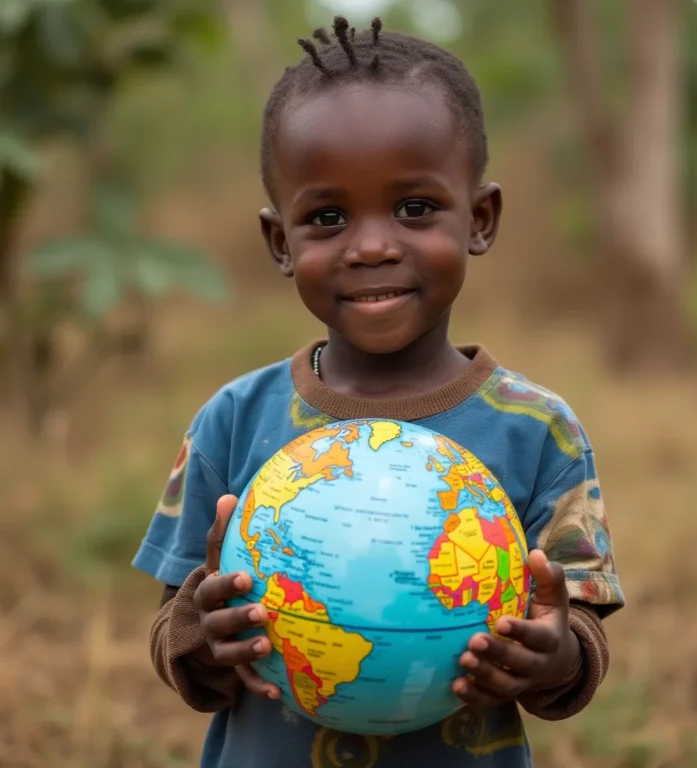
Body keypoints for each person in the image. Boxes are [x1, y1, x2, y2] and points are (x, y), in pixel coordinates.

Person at [133, 15, 625, 768]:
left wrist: (552, 658)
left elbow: (579, 646)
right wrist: (203, 635)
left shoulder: (538, 431)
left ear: (481, 219)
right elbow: (175, 638)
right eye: (327, 218)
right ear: (280, 243)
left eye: (415, 208)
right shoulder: (232, 421)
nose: (372, 245)